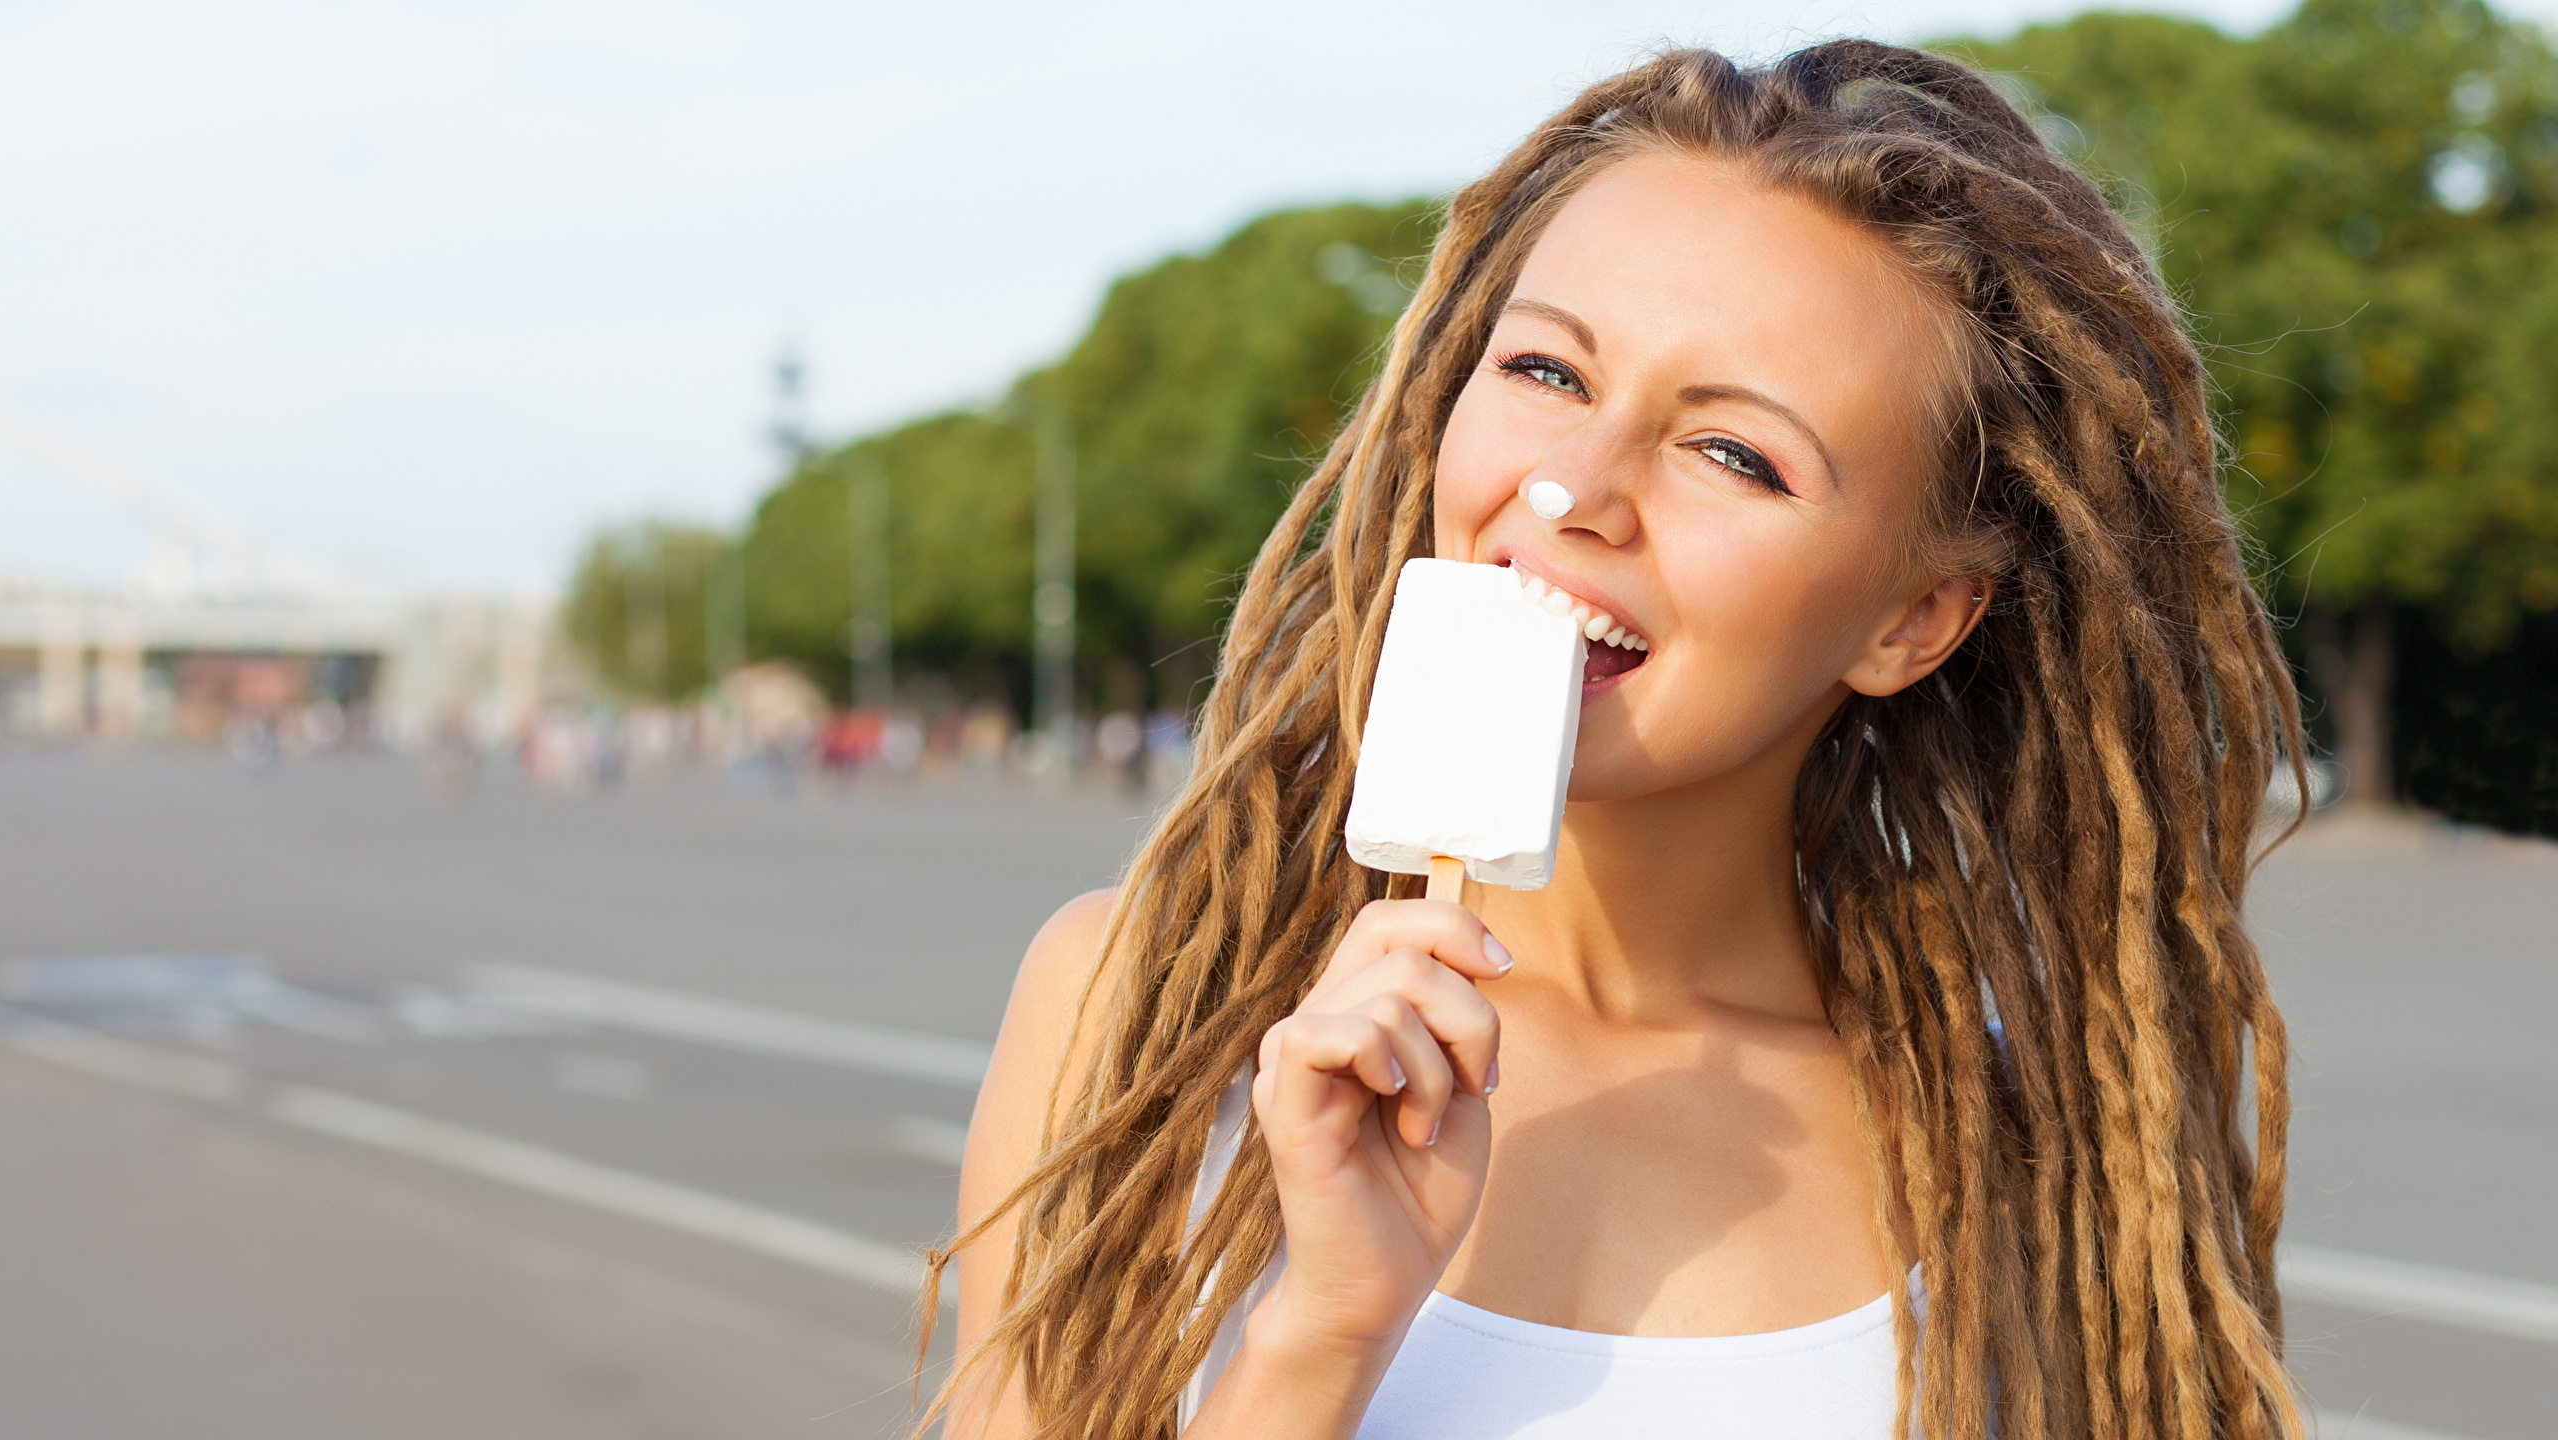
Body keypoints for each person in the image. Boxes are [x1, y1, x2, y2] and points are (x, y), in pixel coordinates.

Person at [933, 40, 2306, 1440]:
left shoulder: (2036, 1148)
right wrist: (1318, 1337)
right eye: (1545, 370)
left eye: (1734, 454)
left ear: (1914, 618)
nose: (1573, 488)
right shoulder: (1138, 1008)